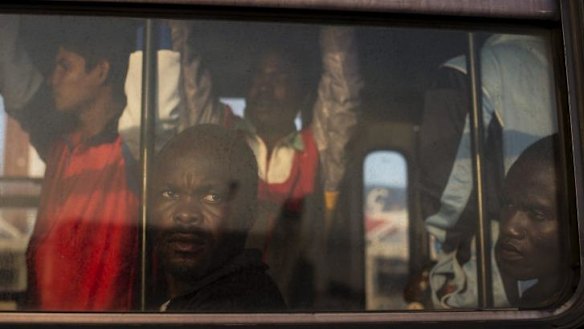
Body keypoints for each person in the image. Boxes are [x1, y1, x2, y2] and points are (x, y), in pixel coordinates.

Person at [119, 22, 362, 307]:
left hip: (294, 312)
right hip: (213, 304)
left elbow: (342, 91)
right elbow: (187, 77)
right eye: (257, 76)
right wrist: (178, 21)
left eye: (278, 77)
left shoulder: (318, 151)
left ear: (304, 94)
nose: (264, 87)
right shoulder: (218, 135)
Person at [0, 16, 138, 310]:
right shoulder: (58, 145)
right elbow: (16, 84)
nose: (52, 79)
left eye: (65, 66)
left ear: (101, 72)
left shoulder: (134, 148)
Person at [418, 33, 558, 308]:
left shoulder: (468, 71)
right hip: (562, 274)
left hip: (495, 275)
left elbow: (446, 191)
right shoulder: (569, 68)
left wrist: (445, 251)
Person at [151, 124, 286, 312]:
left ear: (249, 214)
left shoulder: (237, 308)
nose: (186, 214)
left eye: (213, 197)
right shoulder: (188, 297)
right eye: (170, 194)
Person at [495, 134, 572, 309]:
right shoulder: (541, 303)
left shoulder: (567, 312)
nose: (509, 228)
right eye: (508, 204)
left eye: (538, 215)